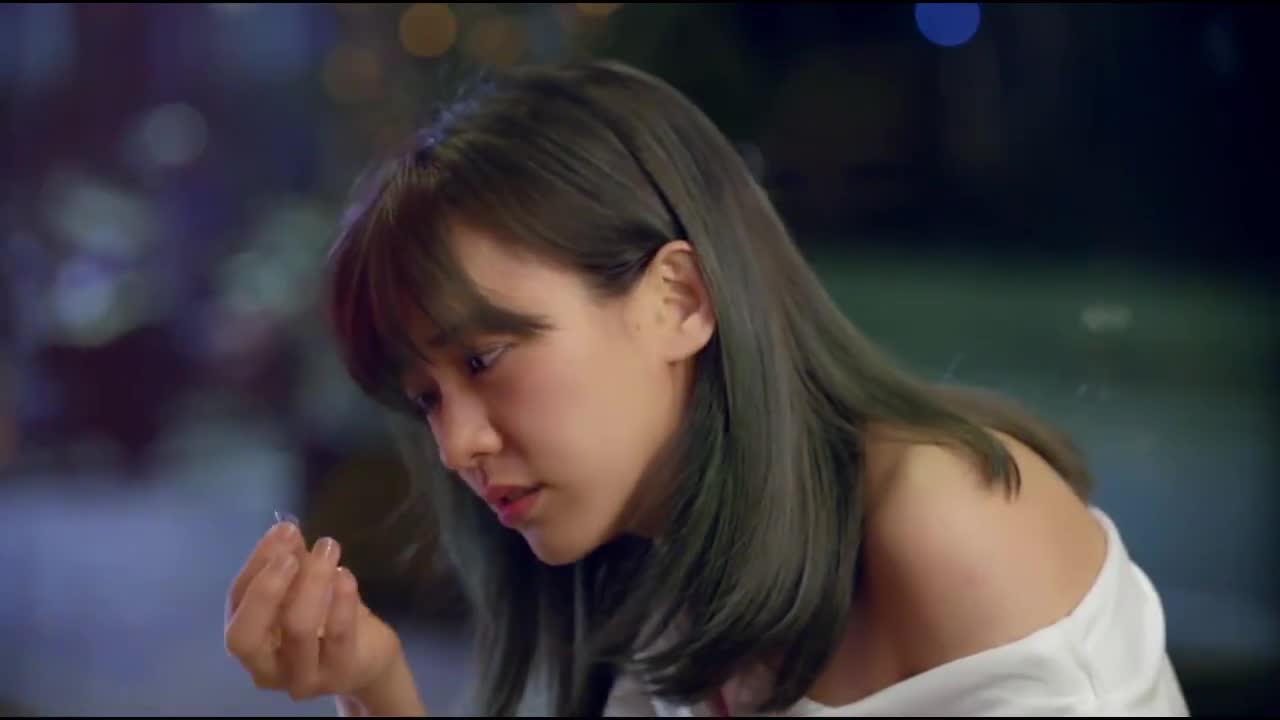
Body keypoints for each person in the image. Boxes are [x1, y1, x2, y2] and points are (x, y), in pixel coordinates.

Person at [223, 59, 1190, 717]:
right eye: (426, 397)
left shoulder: (948, 520)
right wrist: (373, 683)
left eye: (482, 360)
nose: (456, 445)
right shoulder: (661, 549)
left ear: (679, 300)